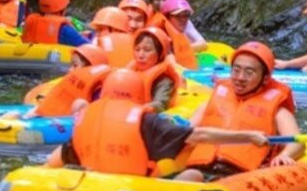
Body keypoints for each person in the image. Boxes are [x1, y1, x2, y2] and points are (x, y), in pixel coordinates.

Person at [45, 68, 272, 176]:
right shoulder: (146, 120)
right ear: (137, 94)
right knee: (193, 175)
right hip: (129, 190)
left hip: (85, 182)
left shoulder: (86, 116)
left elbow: (60, 156)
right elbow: (199, 136)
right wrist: (249, 136)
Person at [179, 41, 304, 182]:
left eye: (249, 72)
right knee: (189, 176)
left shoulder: (278, 111)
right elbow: (185, 132)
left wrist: (285, 154)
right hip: (202, 167)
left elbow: (297, 141)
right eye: (236, 70)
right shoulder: (212, 101)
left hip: (241, 175)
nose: (240, 78)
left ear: (265, 78)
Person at [24, 43, 110, 118]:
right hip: (54, 118)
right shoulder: (71, 85)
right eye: (71, 65)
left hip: (69, 125)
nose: (69, 70)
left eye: (75, 65)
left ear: (90, 69)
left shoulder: (99, 94)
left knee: (80, 104)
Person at [126, 27, 180, 111]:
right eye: (137, 49)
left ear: (161, 54)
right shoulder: (129, 72)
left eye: (147, 50)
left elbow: (160, 104)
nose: (140, 55)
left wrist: (136, 111)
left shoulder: (164, 82)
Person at [22, 0, 90, 46]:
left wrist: (79, 35)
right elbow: (87, 47)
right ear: (62, 9)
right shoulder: (65, 30)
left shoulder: (31, 22)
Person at [150, 0, 201, 68]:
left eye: (186, 15)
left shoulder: (179, 33)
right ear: (167, 17)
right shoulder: (159, 37)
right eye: (178, 16)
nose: (183, 19)